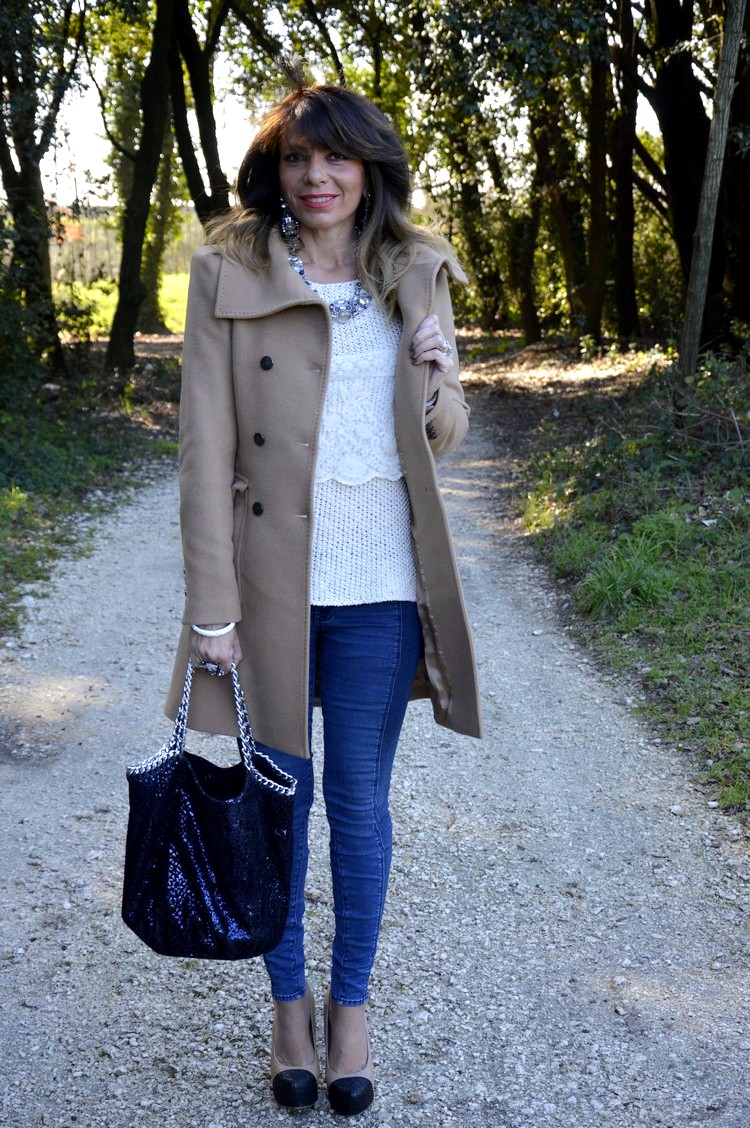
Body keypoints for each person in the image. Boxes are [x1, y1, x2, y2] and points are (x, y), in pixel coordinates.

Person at [165, 80, 482, 1117]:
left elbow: (442, 436)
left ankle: (352, 1013)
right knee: (279, 807)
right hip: (268, 587)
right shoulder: (228, 271)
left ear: (369, 168)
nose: (317, 176)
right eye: (297, 157)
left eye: (336, 157)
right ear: (275, 170)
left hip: (380, 586)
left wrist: (439, 375)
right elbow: (205, 451)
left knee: (359, 805)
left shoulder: (416, 268)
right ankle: (288, 1010)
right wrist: (212, 610)